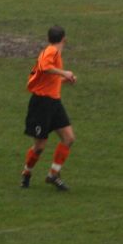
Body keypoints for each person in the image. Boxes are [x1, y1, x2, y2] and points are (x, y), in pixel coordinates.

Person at [20, 25, 77, 191]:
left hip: (54, 103)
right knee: (39, 147)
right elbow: (44, 67)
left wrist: (64, 80)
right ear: (64, 39)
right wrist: (64, 72)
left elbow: (48, 79)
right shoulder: (51, 51)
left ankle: (53, 174)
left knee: (69, 138)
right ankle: (26, 173)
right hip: (41, 104)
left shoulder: (54, 53)